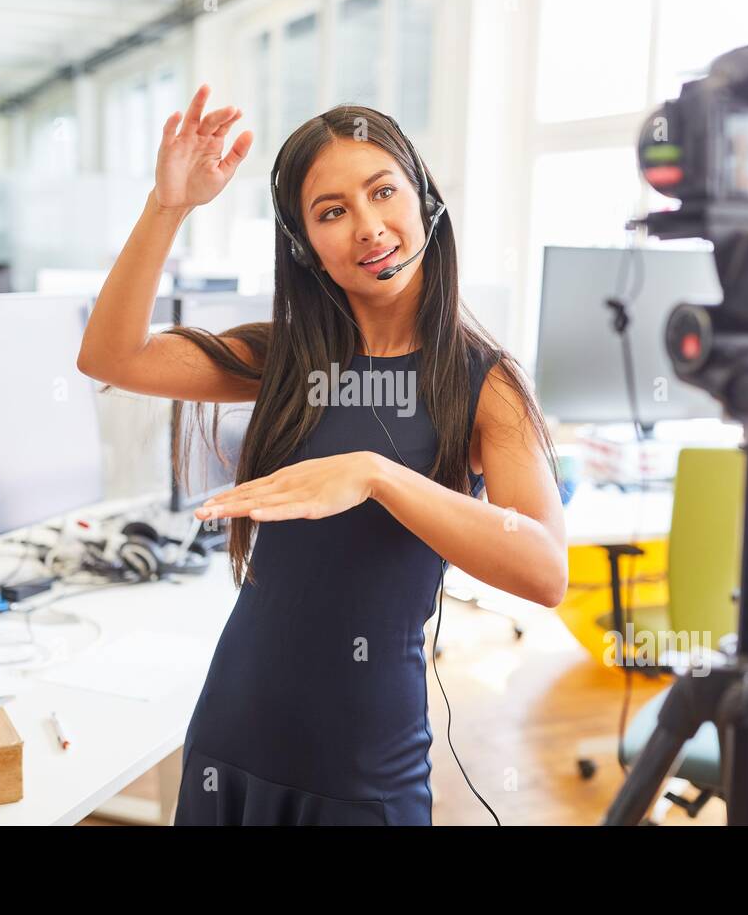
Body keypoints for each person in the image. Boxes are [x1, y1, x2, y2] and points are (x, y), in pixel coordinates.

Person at [77, 84, 567, 825]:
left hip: (362, 761)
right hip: (233, 731)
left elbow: (544, 569)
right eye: (332, 212)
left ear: (425, 200)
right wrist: (168, 207)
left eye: (382, 193)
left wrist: (376, 475)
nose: (368, 228)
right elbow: (111, 356)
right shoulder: (286, 358)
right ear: (305, 246)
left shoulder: (481, 383)